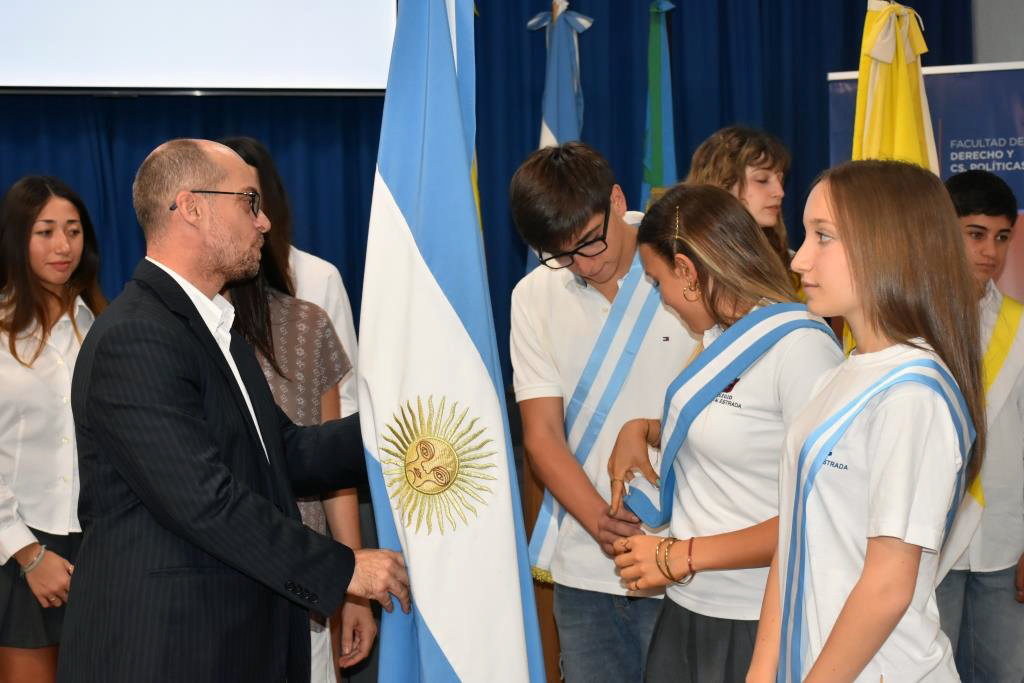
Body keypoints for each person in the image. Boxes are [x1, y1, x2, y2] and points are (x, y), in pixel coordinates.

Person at [56, 139, 409, 683]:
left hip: (225, 641)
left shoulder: (212, 327)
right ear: (191, 207)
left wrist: (399, 435)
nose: (265, 222)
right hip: (167, 649)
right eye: (250, 201)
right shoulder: (136, 337)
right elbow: (204, 501)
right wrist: (342, 569)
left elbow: (281, 452)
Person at [748, 160, 986, 682]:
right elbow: (793, 544)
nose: (800, 259)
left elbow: (887, 587)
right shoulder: (843, 371)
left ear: (888, 245)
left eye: (823, 237)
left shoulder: (913, 394)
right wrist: (762, 672)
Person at [607, 183, 841, 682]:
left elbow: (820, 514)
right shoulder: (718, 336)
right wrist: (643, 429)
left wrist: (678, 554)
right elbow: (734, 436)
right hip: (691, 603)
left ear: (688, 273)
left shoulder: (801, 349)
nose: (664, 300)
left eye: (657, 281)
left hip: (757, 616)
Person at [508, 142, 698, 682]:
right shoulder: (532, 296)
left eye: (592, 242)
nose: (585, 266)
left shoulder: (686, 259)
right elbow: (541, 436)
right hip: (586, 570)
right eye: (563, 256)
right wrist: (601, 524)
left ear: (616, 200)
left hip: (688, 554)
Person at [220, 136, 376, 682]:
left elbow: (329, 463)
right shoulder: (169, 330)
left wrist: (352, 582)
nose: (254, 221)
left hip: (306, 585)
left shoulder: (306, 323)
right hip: (213, 595)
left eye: (256, 204)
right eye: (240, 203)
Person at [0, 176, 106, 683]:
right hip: (16, 545)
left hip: (100, 540)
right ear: (17, 239)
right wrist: (28, 552)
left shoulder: (101, 325)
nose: (63, 246)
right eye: (45, 232)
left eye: (73, 230)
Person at [935, 169, 1024, 682]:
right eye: (975, 233)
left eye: (1002, 236)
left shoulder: (1019, 323)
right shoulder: (907, 318)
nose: (990, 250)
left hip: (1005, 544)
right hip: (929, 542)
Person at [686, 125, 792, 275]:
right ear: (722, 186)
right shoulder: (685, 265)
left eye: (781, 180)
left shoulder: (794, 265)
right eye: (762, 180)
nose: (780, 192)